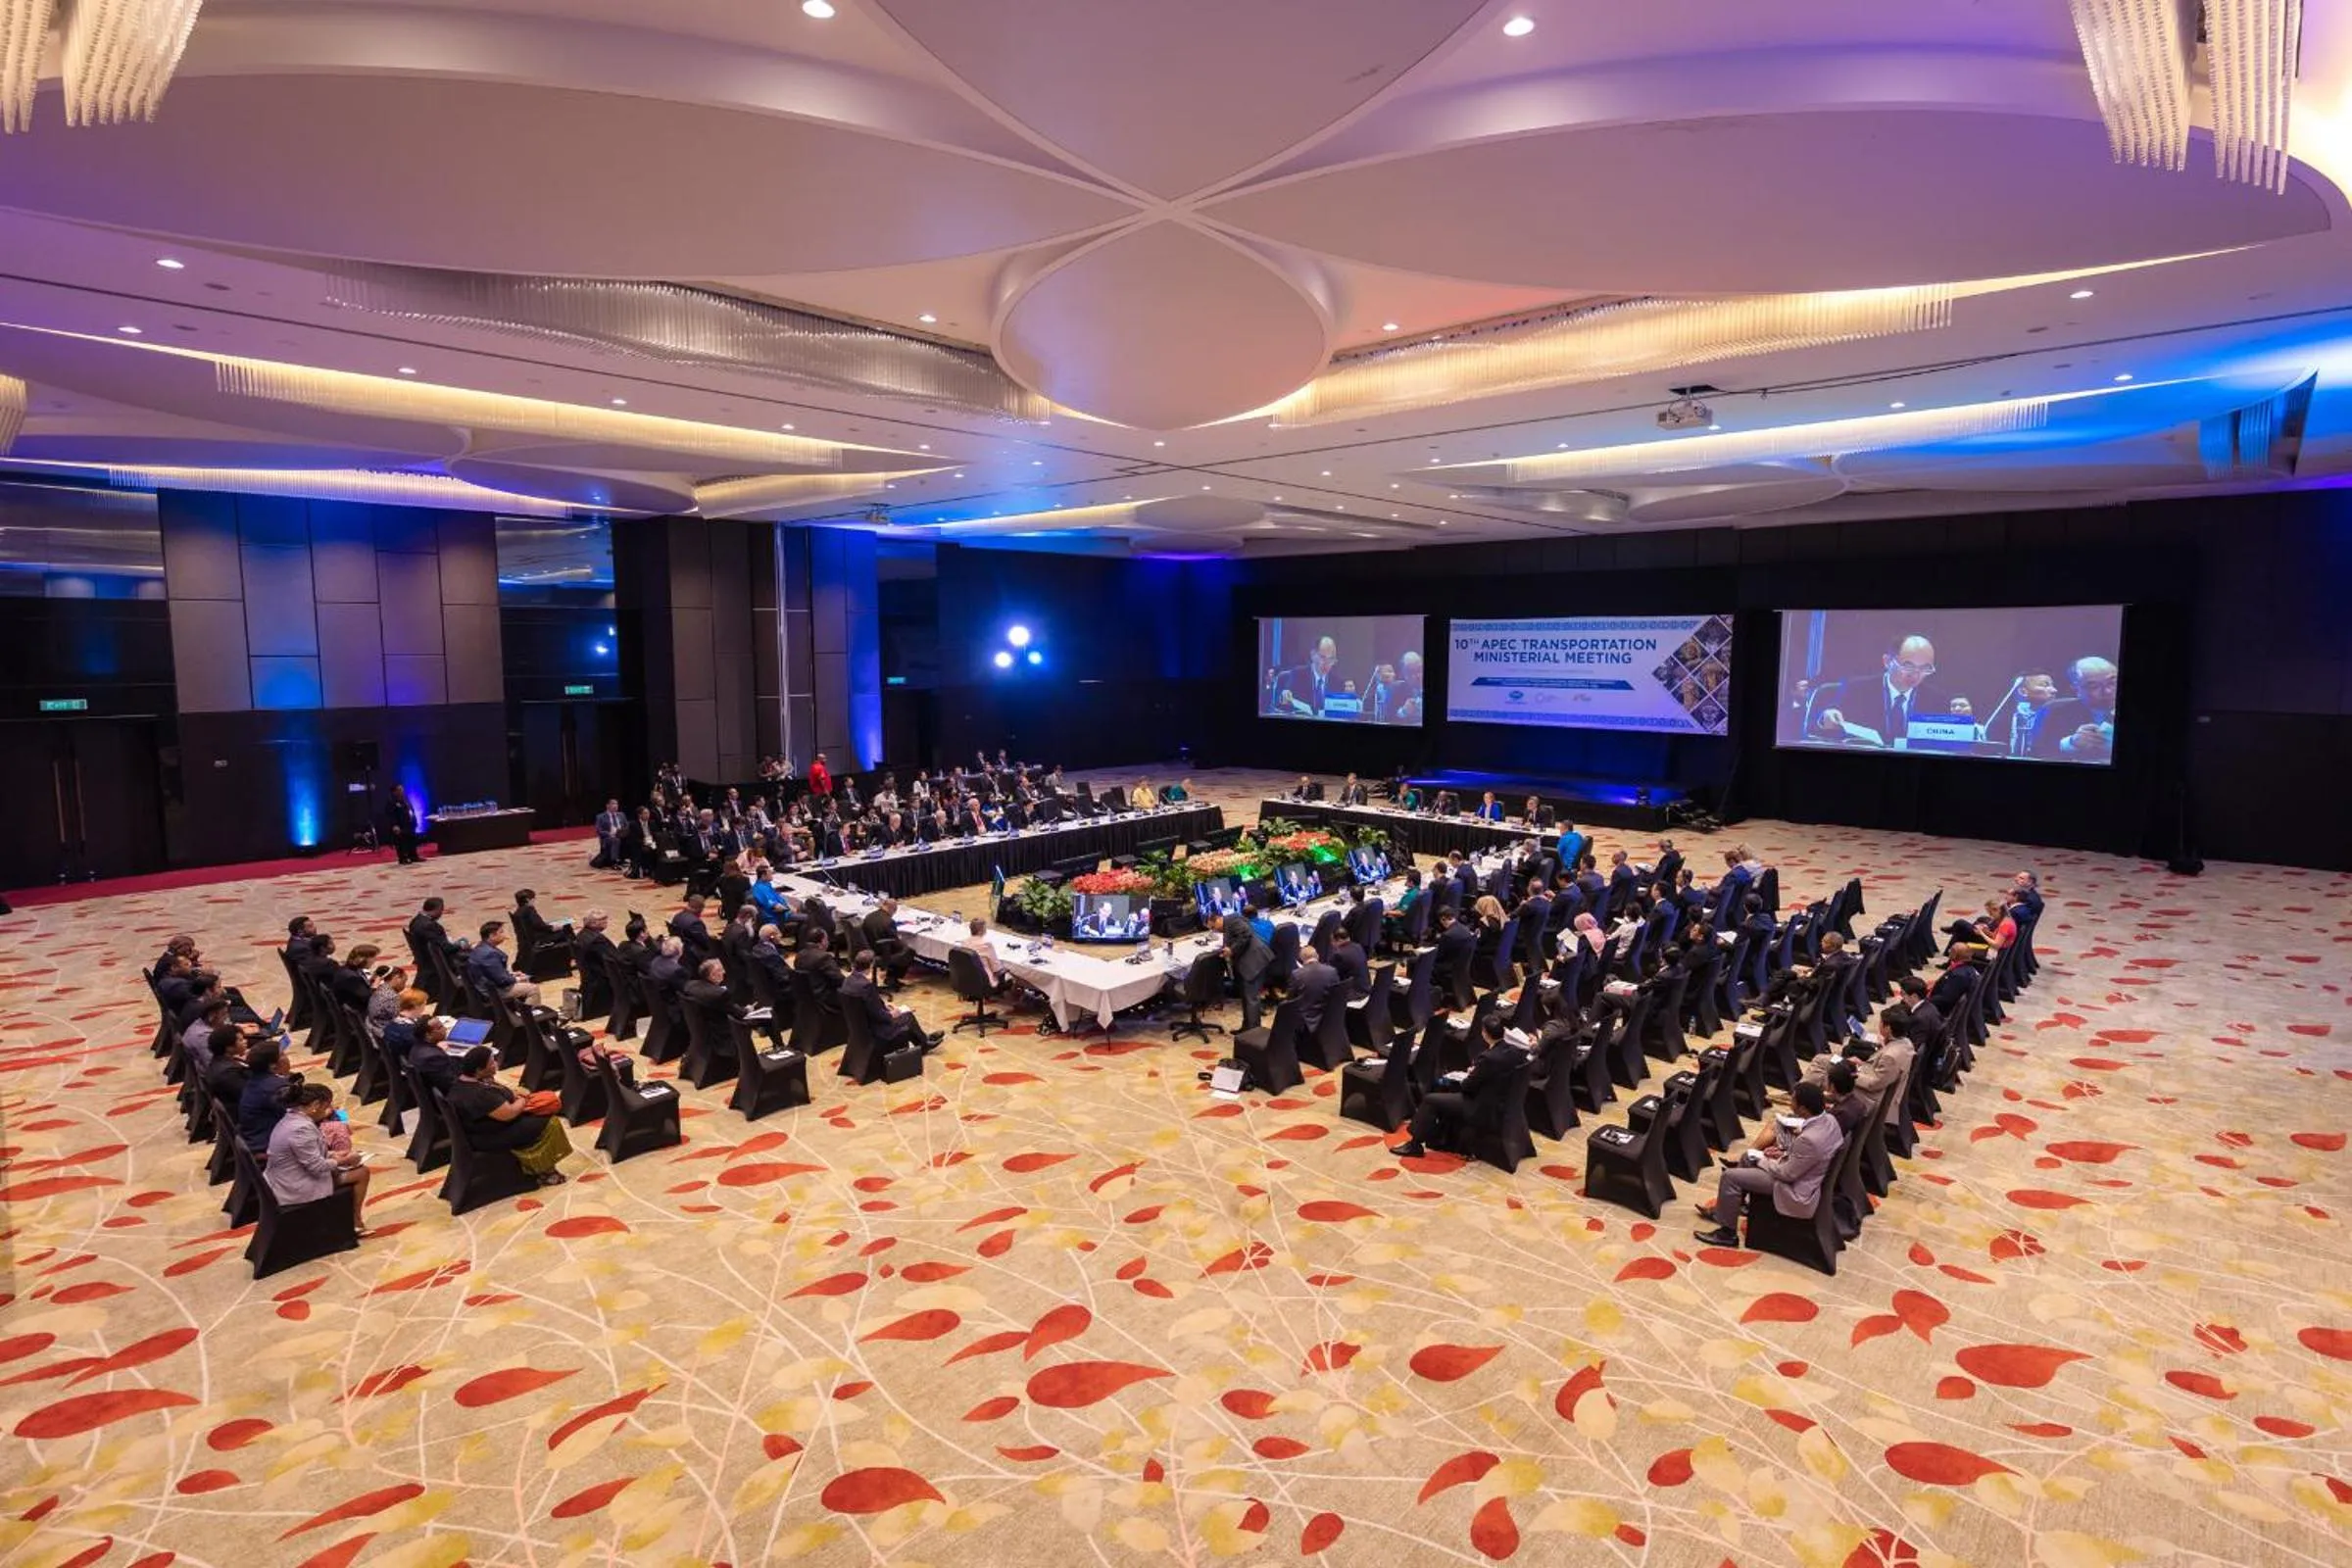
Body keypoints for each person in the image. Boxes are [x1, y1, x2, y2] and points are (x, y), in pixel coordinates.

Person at [1694, 1081, 1843, 1247]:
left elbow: (1786, 1174)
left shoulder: (1809, 1140)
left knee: (1730, 1176)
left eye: (1793, 1100)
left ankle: (1727, 1234)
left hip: (1795, 1190)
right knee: (1747, 1157)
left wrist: (1764, 1161)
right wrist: (1784, 1153)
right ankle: (1731, 1208)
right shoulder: (1830, 1120)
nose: (1790, 1102)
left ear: (1803, 1109)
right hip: (1804, 1174)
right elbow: (1811, 1157)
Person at [1388, 1013, 1533, 1158]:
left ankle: (1414, 1145)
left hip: (1481, 1107)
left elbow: (1467, 1087)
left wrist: (1471, 1074)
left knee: (1430, 1100)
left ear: (1485, 1034)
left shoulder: (1488, 1058)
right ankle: (1442, 1139)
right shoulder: (1515, 1051)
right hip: (1505, 1102)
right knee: (1445, 1094)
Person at [446, 1046, 572, 1186]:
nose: (496, 1064)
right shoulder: (480, 1095)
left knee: (540, 1111)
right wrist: (523, 1099)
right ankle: (546, 1171)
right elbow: (509, 1113)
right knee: (550, 1122)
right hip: (491, 1136)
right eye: (492, 1062)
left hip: (483, 1130)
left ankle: (543, 1168)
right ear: (479, 1070)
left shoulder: (463, 1082)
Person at [266, 1082, 373, 1230]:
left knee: (353, 1169)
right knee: (361, 1173)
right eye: (327, 1106)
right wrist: (344, 1160)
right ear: (316, 1105)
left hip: (288, 1177)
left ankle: (352, 1221)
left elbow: (306, 1154)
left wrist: (333, 1154)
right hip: (295, 1186)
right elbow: (316, 1167)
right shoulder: (301, 1128)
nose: (329, 1110)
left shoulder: (292, 1118)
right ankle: (355, 1223)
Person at [1808, 635, 1940, 748]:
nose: (1916, 674)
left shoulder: (1937, 700)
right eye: (1908, 666)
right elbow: (1816, 728)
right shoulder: (1856, 691)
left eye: (1925, 668)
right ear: (1887, 661)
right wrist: (1825, 718)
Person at [843, 950, 943, 1053]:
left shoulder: (847, 981)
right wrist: (892, 1014)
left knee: (904, 1016)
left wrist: (883, 1007)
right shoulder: (867, 986)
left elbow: (868, 1007)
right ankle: (924, 1044)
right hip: (877, 1029)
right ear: (871, 965)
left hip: (861, 1028)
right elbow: (878, 1015)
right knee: (908, 1016)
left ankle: (924, 1039)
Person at [237, 1039, 298, 1152]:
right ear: (273, 1066)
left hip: (255, 1138)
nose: (287, 1058)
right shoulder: (276, 1087)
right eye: (283, 1055)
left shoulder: (255, 1080)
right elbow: (300, 1115)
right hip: (269, 1146)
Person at [466, 920, 540, 1005]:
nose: (504, 935)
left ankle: (519, 1007)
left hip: (486, 985)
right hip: (493, 991)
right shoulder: (489, 954)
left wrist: (512, 974)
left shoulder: (481, 947)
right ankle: (527, 1013)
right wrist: (518, 979)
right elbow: (502, 980)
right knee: (533, 989)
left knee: (524, 981)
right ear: (492, 936)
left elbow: (493, 972)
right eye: (501, 932)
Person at [1221, 912, 1272, 1032]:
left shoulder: (1233, 921)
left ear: (1217, 919)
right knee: (1246, 997)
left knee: (1251, 998)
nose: (1214, 930)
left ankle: (1253, 1032)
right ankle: (1247, 1028)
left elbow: (1246, 934)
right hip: (1249, 962)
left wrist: (1231, 949)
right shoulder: (1229, 923)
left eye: (1213, 927)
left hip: (1254, 962)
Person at [384, 784, 422, 865]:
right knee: (401, 842)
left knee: (411, 840)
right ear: (394, 792)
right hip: (400, 825)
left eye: (402, 789)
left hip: (409, 823)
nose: (401, 791)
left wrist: (414, 821)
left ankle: (413, 856)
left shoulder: (405, 799)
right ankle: (403, 858)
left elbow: (411, 809)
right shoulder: (391, 801)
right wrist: (394, 825)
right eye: (399, 790)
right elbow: (390, 815)